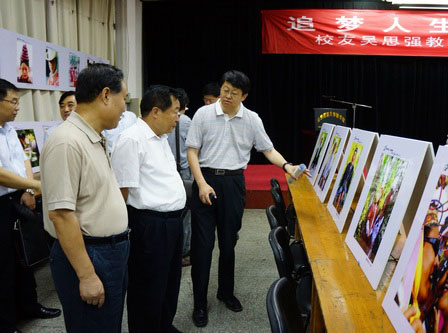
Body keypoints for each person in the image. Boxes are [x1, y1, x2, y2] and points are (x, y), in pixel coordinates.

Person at [186, 70, 309, 327]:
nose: (227, 96)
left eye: (234, 92)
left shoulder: (251, 119)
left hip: (233, 183)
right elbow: (192, 152)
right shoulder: (203, 114)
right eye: (225, 90)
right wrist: (200, 184)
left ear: (245, 95)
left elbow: (268, 149)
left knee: (229, 243)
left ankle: (226, 292)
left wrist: (288, 167)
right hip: (205, 180)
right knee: (202, 246)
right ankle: (199, 303)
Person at [41, 64, 130, 333]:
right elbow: (61, 214)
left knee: (107, 324)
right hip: (90, 255)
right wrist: (87, 275)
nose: (124, 108)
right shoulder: (67, 142)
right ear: (105, 95)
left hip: (108, 251)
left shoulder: (92, 136)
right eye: (123, 99)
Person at [112, 85, 185, 333]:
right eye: (175, 111)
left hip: (172, 223)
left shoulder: (161, 137)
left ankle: (163, 325)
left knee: (169, 283)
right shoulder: (132, 139)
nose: (178, 117)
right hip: (149, 225)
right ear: (156, 111)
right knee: (147, 287)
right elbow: (122, 191)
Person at [0, 78, 60, 333]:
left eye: (18, 102)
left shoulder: (9, 129)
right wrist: (35, 186)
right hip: (0, 203)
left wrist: (26, 188)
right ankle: (5, 323)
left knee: (23, 258)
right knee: (3, 264)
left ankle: (29, 306)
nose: (17, 107)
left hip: (16, 198)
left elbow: (23, 158)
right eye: (13, 101)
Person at [167, 88, 193, 266]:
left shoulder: (162, 119)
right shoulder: (186, 121)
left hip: (168, 170)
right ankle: (183, 252)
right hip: (184, 172)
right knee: (186, 216)